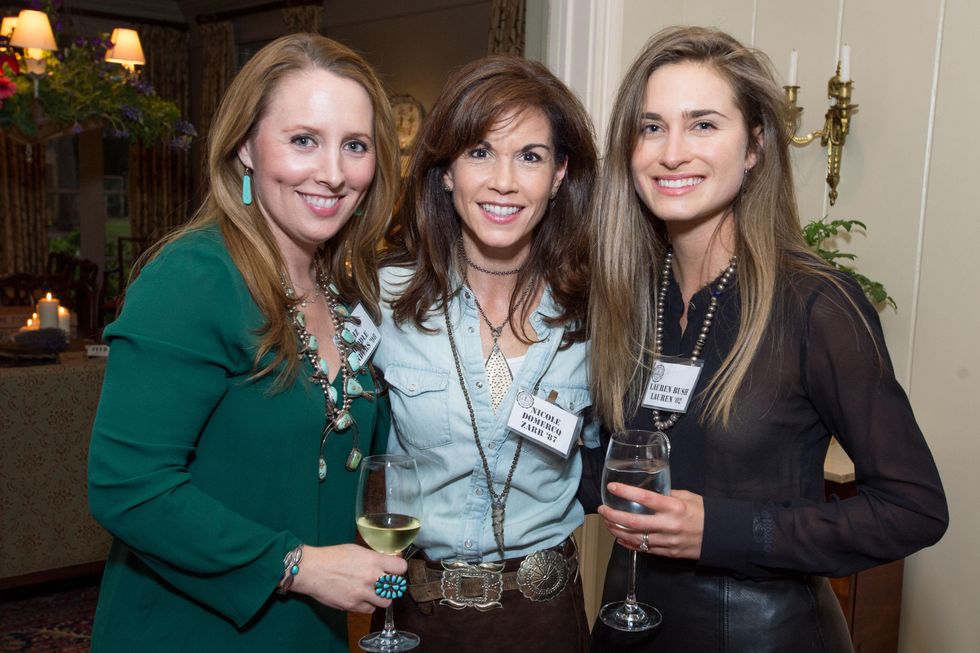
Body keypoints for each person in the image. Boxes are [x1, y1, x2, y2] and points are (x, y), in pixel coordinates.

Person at [583, 26, 948, 652]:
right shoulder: (627, 296)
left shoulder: (816, 304)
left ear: (754, 148)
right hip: (628, 624)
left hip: (762, 634)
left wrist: (721, 530)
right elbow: (608, 472)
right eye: (651, 127)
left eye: (703, 125)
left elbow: (913, 509)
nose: (672, 152)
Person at [87, 33, 404, 652]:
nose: (334, 174)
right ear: (245, 148)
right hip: (192, 631)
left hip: (309, 631)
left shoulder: (343, 293)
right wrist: (301, 567)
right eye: (303, 140)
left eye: (355, 146)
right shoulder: (193, 277)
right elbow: (127, 485)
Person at [371, 55, 599, 651]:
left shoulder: (598, 310)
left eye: (530, 156)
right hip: (417, 616)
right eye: (479, 152)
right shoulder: (382, 299)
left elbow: (612, 451)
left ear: (559, 174)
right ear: (445, 171)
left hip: (545, 617)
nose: (504, 181)